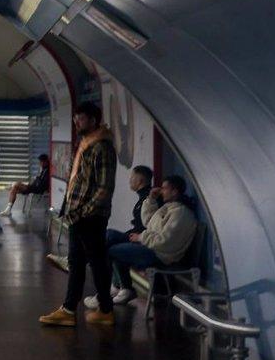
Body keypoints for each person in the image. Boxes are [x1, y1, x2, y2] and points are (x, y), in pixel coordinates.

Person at [40, 102, 117, 326]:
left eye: (81, 118)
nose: (76, 122)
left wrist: (84, 212)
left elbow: (104, 187)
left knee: (94, 262)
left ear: (93, 120)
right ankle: (78, 309)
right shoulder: (86, 144)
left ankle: (90, 309)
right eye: (75, 118)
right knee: (81, 262)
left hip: (89, 217)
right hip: (79, 215)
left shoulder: (101, 147)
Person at [91, 175, 199, 306]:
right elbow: (148, 222)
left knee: (111, 251)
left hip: (160, 254)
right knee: (110, 235)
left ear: (175, 191)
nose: (161, 191)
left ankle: (111, 291)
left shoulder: (181, 214)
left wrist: (141, 237)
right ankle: (119, 287)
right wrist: (151, 199)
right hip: (150, 245)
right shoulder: (170, 207)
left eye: (165, 188)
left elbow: (166, 241)